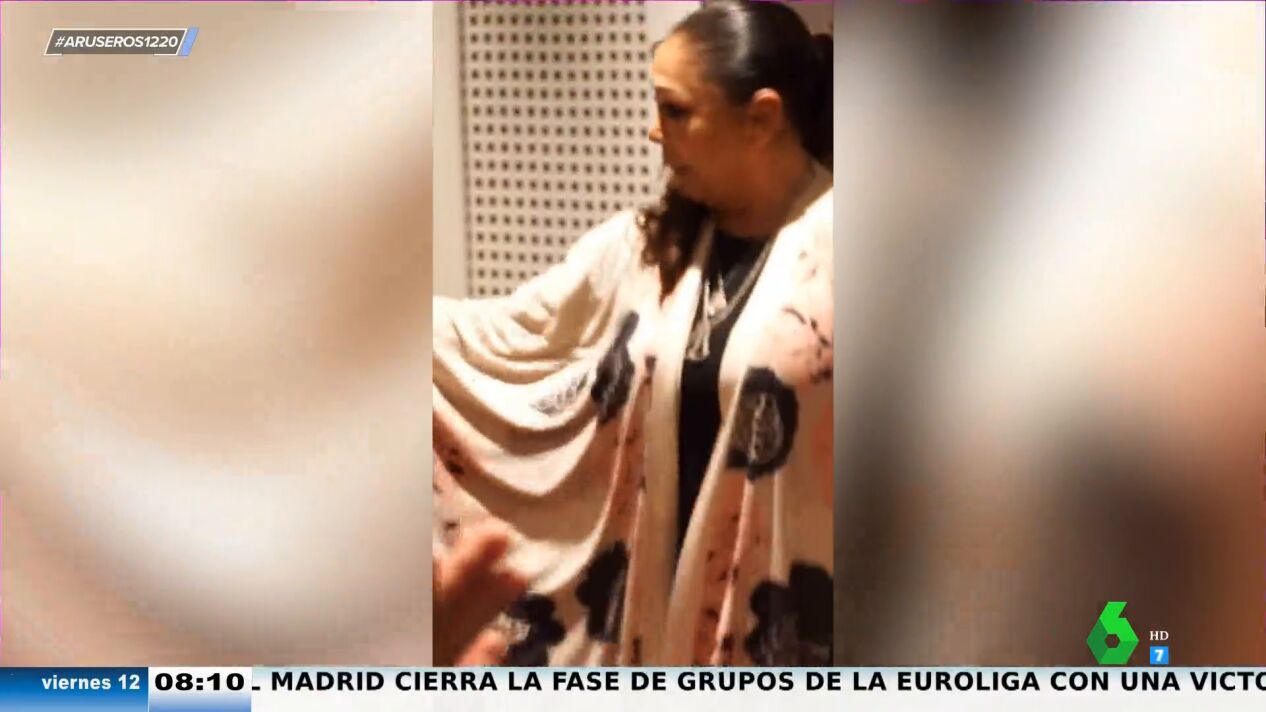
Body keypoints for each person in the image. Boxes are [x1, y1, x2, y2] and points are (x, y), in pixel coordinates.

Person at [433, 0, 834, 666]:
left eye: (675, 110)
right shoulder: (646, 247)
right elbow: (508, 340)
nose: (653, 131)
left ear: (761, 118)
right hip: (660, 622)